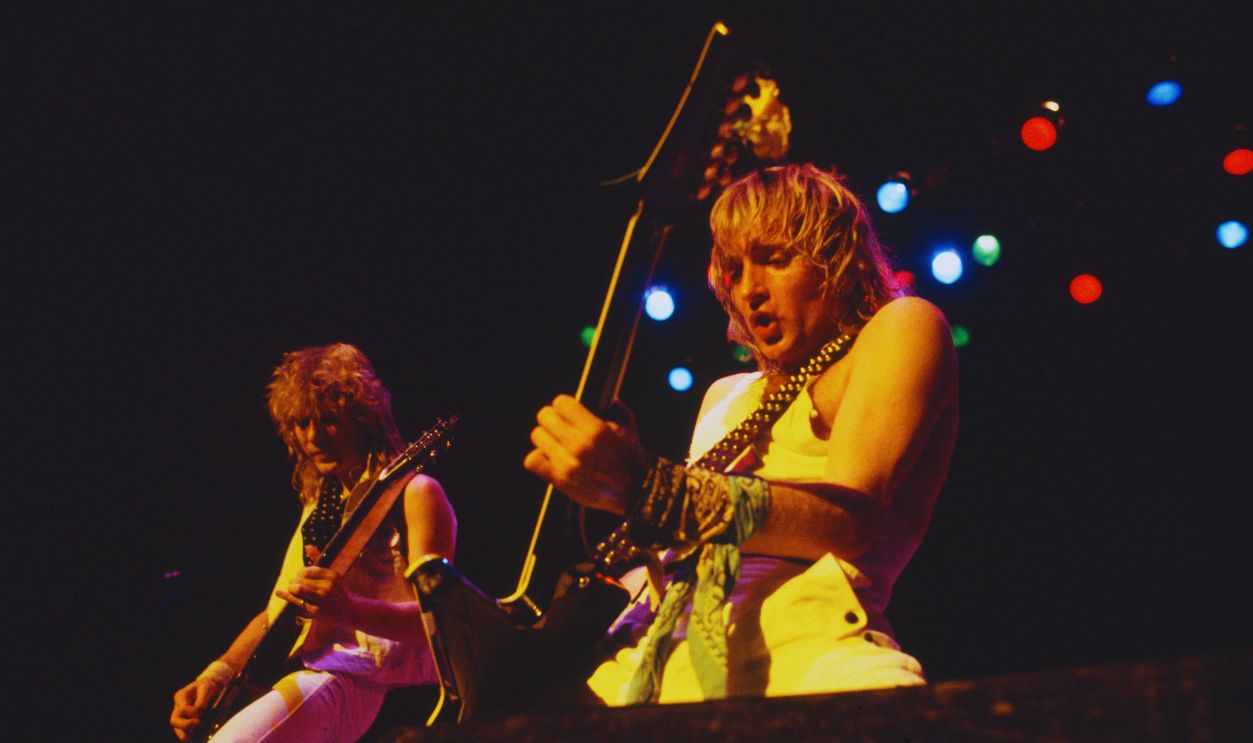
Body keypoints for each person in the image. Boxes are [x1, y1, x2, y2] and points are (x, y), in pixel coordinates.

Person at [524, 163, 957, 704]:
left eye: (775, 259)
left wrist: (654, 489)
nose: (750, 288)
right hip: (647, 687)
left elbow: (848, 520)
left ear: (838, 262)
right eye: (733, 270)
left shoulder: (901, 328)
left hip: (810, 674)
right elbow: (698, 558)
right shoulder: (726, 395)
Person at [170, 343, 457, 742]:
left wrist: (352, 610)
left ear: (363, 418)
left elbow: (444, 620)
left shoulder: (417, 493)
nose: (313, 436)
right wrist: (216, 675)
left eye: (328, 420)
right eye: (301, 423)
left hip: (367, 680)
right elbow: (278, 611)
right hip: (321, 673)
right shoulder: (319, 507)